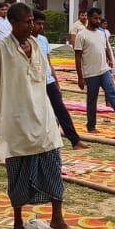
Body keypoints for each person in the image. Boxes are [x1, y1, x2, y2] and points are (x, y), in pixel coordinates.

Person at [0, 3, 72, 229]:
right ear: (13, 23)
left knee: (53, 166)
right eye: (27, 22)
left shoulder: (37, 45)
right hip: (16, 122)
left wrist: (55, 111)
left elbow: (44, 81)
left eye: (33, 21)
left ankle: (57, 218)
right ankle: (18, 223)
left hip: (42, 118)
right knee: (18, 172)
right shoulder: (0, 49)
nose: (32, 25)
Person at [74, 7, 115, 133]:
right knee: (92, 100)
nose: (98, 21)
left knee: (112, 93)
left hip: (104, 70)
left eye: (99, 18)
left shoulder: (101, 33)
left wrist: (110, 60)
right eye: (95, 18)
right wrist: (80, 77)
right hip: (90, 74)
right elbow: (78, 57)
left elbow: (105, 48)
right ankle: (91, 126)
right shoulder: (81, 35)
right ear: (89, 18)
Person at [32, 10, 87, 149]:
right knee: (38, 113)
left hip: (48, 81)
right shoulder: (25, 42)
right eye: (38, 24)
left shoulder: (43, 40)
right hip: (34, 83)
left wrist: (56, 81)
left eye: (42, 24)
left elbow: (48, 62)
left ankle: (75, 140)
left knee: (61, 109)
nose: (41, 27)